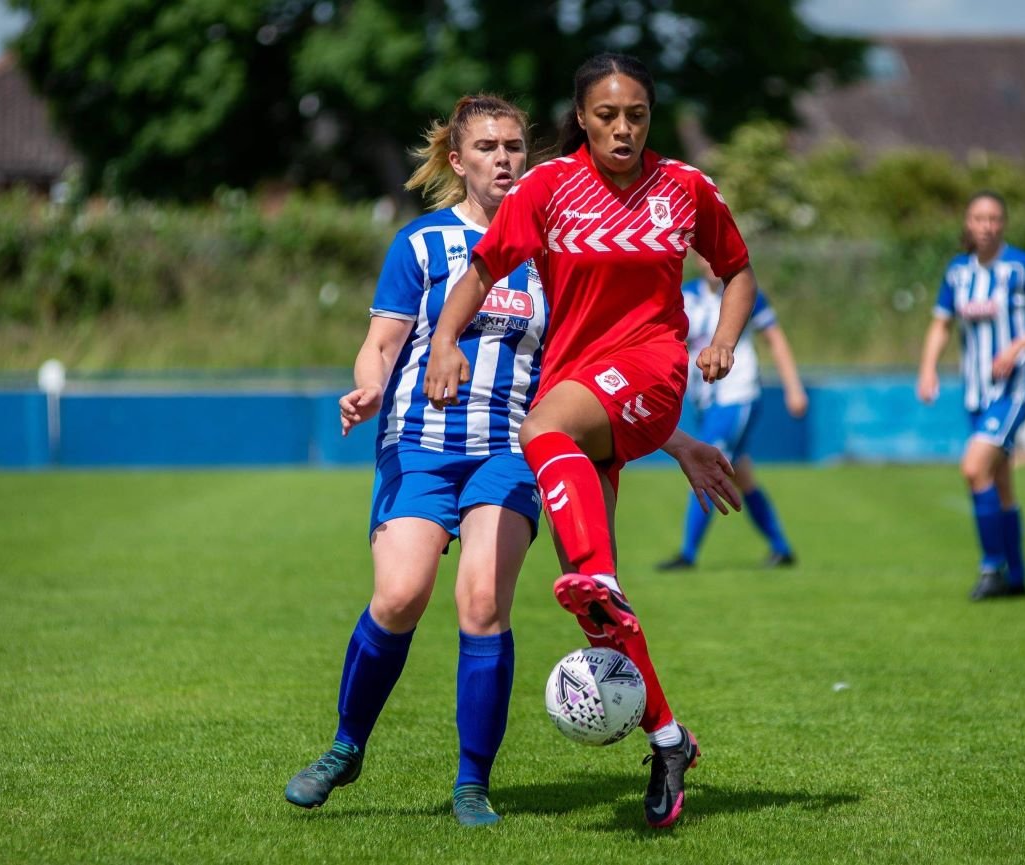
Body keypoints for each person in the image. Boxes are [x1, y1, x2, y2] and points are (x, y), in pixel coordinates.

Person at [283, 93, 738, 828]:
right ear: (458, 161)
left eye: (515, 147)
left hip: (512, 449)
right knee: (400, 595)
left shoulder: (561, 246)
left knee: (483, 602)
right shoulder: (422, 245)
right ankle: (345, 746)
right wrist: (368, 386)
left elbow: (596, 367)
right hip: (420, 446)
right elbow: (384, 341)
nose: (505, 159)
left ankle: (472, 784)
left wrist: (677, 441)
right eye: (488, 148)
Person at [423, 53, 756, 828]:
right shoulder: (543, 189)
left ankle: (598, 574)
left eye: (636, 114)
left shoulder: (685, 186)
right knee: (594, 606)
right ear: (582, 118)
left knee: (541, 433)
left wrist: (726, 341)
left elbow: (736, 270)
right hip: (578, 392)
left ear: (650, 116)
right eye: (607, 115)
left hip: (650, 368)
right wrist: (446, 338)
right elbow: (480, 270)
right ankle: (670, 738)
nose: (623, 127)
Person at [917, 190, 1025, 601]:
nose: (987, 225)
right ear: (968, 224)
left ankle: (992, 568)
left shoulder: (1022, 267)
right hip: (976, 393)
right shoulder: (958, 273)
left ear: (1004, 224)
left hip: (1013, 390)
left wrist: (1019, 346)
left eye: (995, 218)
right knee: (1000, 485)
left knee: (972, 468)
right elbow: (940, 324)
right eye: (979, 218)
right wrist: (928, 368)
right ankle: (1017, 576)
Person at [657, 257, 807, 571]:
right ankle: (781, 548)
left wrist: (793, 387)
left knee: (705, 462)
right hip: (706, 402)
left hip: (737, 396)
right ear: (696, 259)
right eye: (705, 254)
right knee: (742, 475)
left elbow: (775, 340)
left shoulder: (744, 292)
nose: (712, 261)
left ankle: (687, 554)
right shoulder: (685, 296)